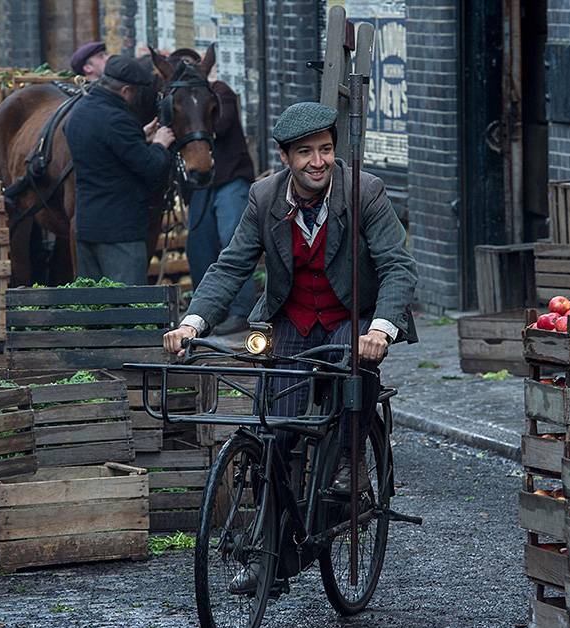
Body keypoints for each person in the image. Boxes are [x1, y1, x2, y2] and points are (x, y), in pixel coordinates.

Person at [165, 101, 417, 493]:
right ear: (285, 157)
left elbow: (396, 265)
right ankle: (280, 523)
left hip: (351, 316)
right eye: (305, 152)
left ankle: (351, 457)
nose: (318, 162)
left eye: (326, 150)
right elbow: (231, 266)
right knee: (276, 429)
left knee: (352, 370)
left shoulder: (365, 192)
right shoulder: (264, 197)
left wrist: (381, 330)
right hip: (293, 317)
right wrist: (190, 323)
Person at [64, 55, 175, 285]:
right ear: (125, 90)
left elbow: (105, 151)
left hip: (86, 227)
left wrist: (138, 137)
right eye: (135, 92)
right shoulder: (118, 120)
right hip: (119, 231)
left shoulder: (81, 110)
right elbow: (150, 167)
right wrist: (159, 145)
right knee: (128, 308)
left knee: (94, 308)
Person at [168, 47, 256, 335]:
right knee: (198, 247)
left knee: (233, 242)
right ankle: (204, 312)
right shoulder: (179, 96)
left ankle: (241, 311)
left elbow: (221, 122)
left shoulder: (221, 92)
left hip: (230, 179)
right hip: (203, 185)